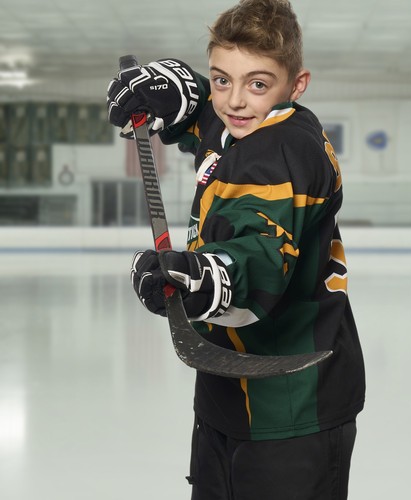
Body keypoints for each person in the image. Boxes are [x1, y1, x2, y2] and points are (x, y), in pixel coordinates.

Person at [106, 1, 365, 498]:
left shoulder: (282, 150)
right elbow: (212, 119)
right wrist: (179, 93)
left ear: (297, 84)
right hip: (227, 394)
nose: (236, 101)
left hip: (293, 411)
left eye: (258, 84)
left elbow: (259, 251)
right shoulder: (246, 126)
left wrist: (208, 276)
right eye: (222, 79)